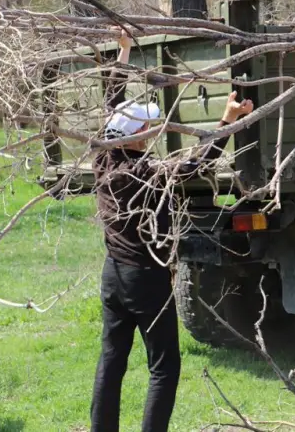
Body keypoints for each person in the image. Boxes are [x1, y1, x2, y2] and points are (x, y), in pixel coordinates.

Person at [90, 30, 254, 432]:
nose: (153, 132)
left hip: (113, 274)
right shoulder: (146, 174)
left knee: (112, 359)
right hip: (146, 280)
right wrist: (227, 121)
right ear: (134, 137)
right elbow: (196, 164)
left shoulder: (103, 160)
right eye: (148, 127)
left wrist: (124, 52)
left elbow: (113, 108)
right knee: (164, 366)